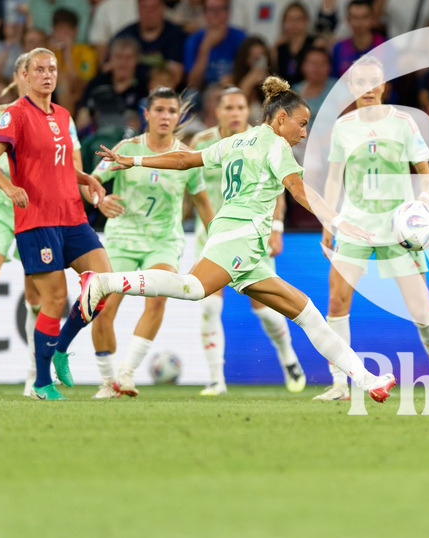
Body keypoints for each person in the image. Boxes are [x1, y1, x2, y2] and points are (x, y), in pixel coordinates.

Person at [80, 76, 398, 403]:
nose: (304, 133)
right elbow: (299, 191)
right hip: (240, 236)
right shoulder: (276, 146)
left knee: (308, 314)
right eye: (302, 124)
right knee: (192, 288)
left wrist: (134, 160)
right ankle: (104, 282)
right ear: (281, 118)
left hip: (244, 243)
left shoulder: (238, 141)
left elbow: (183, 160)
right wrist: (340, 221)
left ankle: (366, 380)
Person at [316, 56, 429, 401]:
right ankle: (339, 384)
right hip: (354, 223)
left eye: (372, 81)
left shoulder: (404, 123)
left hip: (398, 229)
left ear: (383, 85)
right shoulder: (343, 127)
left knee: (421, 308)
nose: (366, 88)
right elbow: (334, 178)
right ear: (350, 87)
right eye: (358, 82)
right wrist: (328, 220)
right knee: (336, 299)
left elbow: (425, 174)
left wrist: (422, 202)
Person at [0, 47, 112, 401]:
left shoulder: (63, 114)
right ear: (26, 75)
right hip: (37, 220)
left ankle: (62, 348)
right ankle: (40, 383)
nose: (47, 74)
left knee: (105, 284)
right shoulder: (15, 115)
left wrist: (85, 180)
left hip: (72, 215)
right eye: (39, 69)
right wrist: (9, 187)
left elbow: (61, 163)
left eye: (52, 68)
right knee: (53, 300)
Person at [87, 88, 215, 398]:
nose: (165, 116)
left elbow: (202, 203)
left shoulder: (185, 158)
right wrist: (99, 200)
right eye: (159, 110)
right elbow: (91, 183)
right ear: (146, 114)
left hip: (163, 241)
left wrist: (216, 242)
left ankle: (126, 374)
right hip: (123, 239)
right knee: (103, 311)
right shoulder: (125, 148)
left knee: (157, 299)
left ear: (178, 116)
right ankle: (107, 381)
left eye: (172, 111)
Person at [188, 87, 307, 396]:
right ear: (218, 112)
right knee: (208, 306)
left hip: (253, 232)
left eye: (241, 107)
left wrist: (277, 228)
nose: (236, 113)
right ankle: (216, 379)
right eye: (229, 107)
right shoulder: (202, 142)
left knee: (265, 307)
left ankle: (287, 356)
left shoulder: (266, 140)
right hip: (213, 233)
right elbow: (194, 190)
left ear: (247, 111)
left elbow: (279, 189)